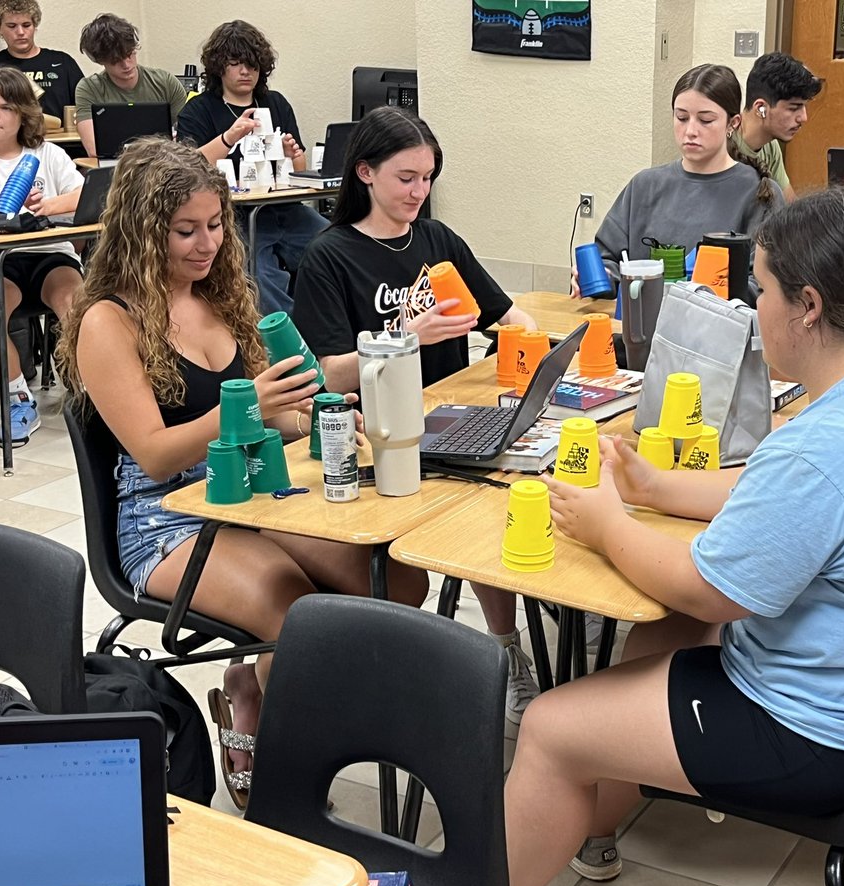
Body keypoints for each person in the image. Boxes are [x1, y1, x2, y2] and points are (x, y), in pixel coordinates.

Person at [504, 187, 844, 886]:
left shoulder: (821, 449)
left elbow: (704, 589)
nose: (752, 306)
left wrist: (609, 525)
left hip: (822, 739)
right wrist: (656, 487)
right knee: (658, 640)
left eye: (761, 290)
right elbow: (790, 503)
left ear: (808, 306)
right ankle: (590, 823)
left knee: (550, 727)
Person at [55, 137, 429, 808]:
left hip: (251, 491)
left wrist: (320, 415)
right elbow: (155, 454)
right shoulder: (109, 320)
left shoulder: (220, 296)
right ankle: (290, 787)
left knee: (400, 579)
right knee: (295, 614)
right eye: (186, 231)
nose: (208, 244)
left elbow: (274, 414)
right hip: (164, 517)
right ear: (142, 231)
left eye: (216, 225)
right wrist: (245, 406)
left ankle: (251, 684)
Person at [291, 106, 543, 723]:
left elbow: (504, 315)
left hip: (450, 416)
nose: (419, 192)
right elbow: (325, 373)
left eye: (427, 178)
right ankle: (480, 656)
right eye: (406, 178)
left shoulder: (436, 240)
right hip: (378, 430)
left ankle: (506, 646)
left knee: (507, 490)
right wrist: (406, 335)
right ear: (365, 173)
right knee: (479, 507)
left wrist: (530, 339)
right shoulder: (329, 256)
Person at [575, 63, 780, 301]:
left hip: (720, 322)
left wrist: (708, 294)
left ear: (732, 124)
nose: (690, 130)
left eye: (705, 120)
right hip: (639, 321)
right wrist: (597, 277)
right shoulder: (644, 186)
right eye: (681, 117)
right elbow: (607, 259)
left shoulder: (759, 194)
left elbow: (768, 286)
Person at [177, 20, 327, 314]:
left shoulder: (275, 103)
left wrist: (291, 154)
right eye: (235, 64)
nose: (245, 71)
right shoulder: (198, 110)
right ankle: (284, 334)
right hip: (234, 215)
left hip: (284, 209)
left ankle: (325, 321)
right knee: (259, 275)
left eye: (252, 64)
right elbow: (187, 169)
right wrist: (228, 138)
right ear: (219, 67)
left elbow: (299, 169)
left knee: (334, 244)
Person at [0, 67, 82, 446]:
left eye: (5, 108)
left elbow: (86, 195)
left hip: (50, 255)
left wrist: (47, 206)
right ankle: (18, 399)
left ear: (24, 113)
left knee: (76, 302)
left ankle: (89, 390)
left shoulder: (48, 154)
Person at [74, 14, 187, 158]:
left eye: (129, 54)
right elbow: (93, 149)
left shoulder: (165, 82)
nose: (126, 65)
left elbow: (186, 139)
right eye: (115, 60)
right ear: (100, 61)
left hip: (162, 163)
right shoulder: (88, 88)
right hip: (116, 164)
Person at [730, 52, 822, 203]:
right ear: (761, 108)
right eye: (794, 108)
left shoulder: (770, 145)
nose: (803, 118)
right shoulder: (721, 148)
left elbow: (790, 205)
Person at [0, 0, 84, 123]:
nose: (21, 32)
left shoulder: (62, 62)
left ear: (34, 26)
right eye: (12, 26)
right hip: (11, 135)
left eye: (26, 25)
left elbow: (85, 110)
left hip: (60, 135)